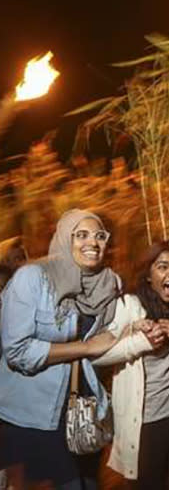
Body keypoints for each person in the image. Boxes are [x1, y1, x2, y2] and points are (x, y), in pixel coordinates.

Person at [0, 209, 120, 489]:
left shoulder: (107, 285)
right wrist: (85, 347)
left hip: (82, 413)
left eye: (99, 236)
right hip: (31, 417)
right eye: (81, 235)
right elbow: (17, 351)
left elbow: (112, 339)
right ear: (65, 238)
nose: (92, 242)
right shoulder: (32, 279)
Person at [93, 241, 169, 489]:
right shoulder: (129, 307)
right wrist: (139, 342)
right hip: (144, 425)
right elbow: (97, 356)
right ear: (148, 276)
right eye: (163, 267)